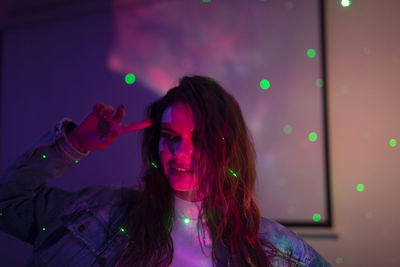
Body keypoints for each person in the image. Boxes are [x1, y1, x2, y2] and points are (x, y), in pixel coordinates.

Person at [0, 75, 331, 266]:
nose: (180, 152)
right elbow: (8, 204)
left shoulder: (274, 248)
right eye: (170, 137)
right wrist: (74, 144)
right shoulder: (102, 213)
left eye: (198, 139)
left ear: (227, 148)